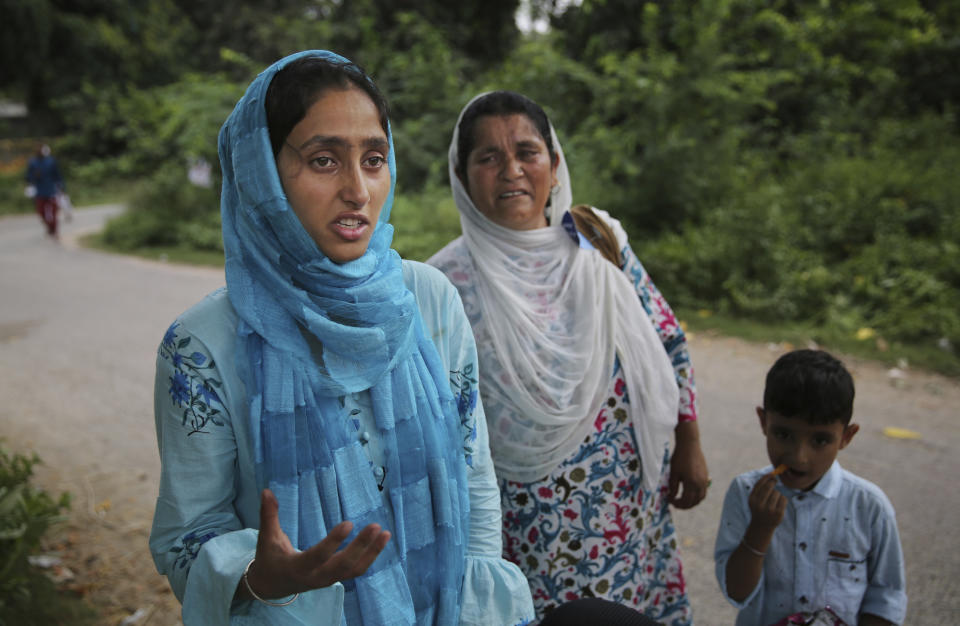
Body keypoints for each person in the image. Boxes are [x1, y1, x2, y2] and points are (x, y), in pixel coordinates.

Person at [149, 51, 534, 626]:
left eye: (374, 159)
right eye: (324, 160)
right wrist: (259, 576)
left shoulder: (426, 301)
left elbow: (473, 476)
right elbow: (188, 534)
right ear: (261, 172)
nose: (358, 190)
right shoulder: (200, 347)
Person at [427, 91, 709, 625]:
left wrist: (690, 442)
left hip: (628, 509)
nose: (511, 170)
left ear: (554, 166)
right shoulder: (444, 284)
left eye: (527, 152)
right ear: (462, 177)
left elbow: (667, 339)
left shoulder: (595, 244)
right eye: (487, 157)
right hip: (530, 526)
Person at [714, 349, 907, 626]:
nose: (799, 457)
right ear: (763, 422)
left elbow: (887, 597)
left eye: (820, 440)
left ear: (846, 436)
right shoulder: (745, 493)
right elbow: (736, 592)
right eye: (783, 434)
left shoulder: (869, 506)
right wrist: (760, 529)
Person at [25, 143, 65, 237]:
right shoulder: (32, 162)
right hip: (39, 191)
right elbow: (28, 177)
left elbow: (58, 176)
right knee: (41, 212)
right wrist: (33, 177)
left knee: (54, 212)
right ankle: (49, 227)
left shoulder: (51, 161)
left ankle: (54, 230)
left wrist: (62, 187)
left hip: (51, 190)